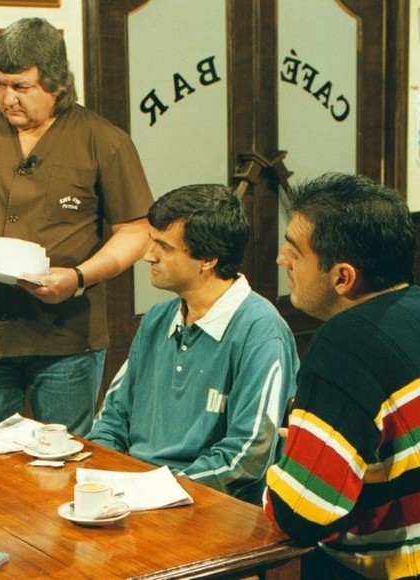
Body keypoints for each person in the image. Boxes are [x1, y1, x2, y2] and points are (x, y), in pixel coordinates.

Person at [0, 17, 153, 436]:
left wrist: (79, 277)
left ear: (56, 82)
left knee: (61, 457)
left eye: (21, 87)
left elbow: (136, 230)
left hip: (67, 338)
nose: (7, 98)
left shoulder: (104, 140)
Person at [264, 172, 420, 578]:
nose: (281, 260)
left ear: (342, 277)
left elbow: (302, 515)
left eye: (294, 251)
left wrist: (297, 456)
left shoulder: (343, 344)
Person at [86, 184, 298, 505]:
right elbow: (110, 422)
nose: (148, 255)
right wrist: (103, 478)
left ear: (207, 259)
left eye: (164, 246)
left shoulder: (261, 330)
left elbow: (247, 458)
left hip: (208, 506)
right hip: (135, 495)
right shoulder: (157, 318)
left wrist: (154, 491)